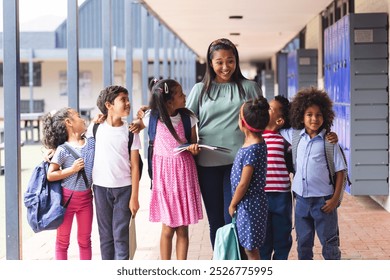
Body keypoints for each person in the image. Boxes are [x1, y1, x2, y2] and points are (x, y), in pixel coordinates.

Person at [186, 38, 262, 248]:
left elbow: (263, 121)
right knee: (216, 223)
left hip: (239, 164)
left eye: (230, 61)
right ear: (211, 63)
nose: (225, 67)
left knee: (234, 218)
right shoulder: (199, 90)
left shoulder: (249, 88)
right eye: (219, 62)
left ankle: (235, 263)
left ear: (236, 61)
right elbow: (186, 121)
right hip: (207, 164)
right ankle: (220, 261)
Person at [280, 87, 347, 260]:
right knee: (303, 243)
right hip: (301, 200)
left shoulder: (329, 142)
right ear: (301, 116)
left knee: (330, 244)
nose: (314, 119)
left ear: (325, 116)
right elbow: (275, 128)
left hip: (324, 202)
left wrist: (335, 199)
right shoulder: (294, 136)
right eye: (309, 114)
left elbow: (341, 171)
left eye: (318, 115)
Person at [141, 79, 203, 260]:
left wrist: (193, 148)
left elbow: (193, 142)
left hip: (184, 175)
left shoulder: (188, 117)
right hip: (164, 178)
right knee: (167, 227)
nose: (185, 96)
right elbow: (137, 123)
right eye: (181, 94)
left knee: (183, 227)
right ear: (169, 101)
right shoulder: (151, 117)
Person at [85, 85, 142, 260]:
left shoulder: (131, 131)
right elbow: (83, 150)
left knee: (121, 237)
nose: (127, 103)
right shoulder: (95, 129)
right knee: (105, 237)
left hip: (124, 189)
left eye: (127, 99)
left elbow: (135, 165)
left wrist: (134, 197)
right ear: (109, 105)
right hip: (100, 189)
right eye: (122, 100)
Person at [42, 108, 95, 260]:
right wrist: (72, 170)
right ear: (69, 123)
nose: (83, 119)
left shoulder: (91, 143)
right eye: (78, 116)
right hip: (66, 201)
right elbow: (51, 175)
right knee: (62, 242)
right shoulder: (62, 149)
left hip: (86, 200)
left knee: (85, 241)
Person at [229, 96, 270, 260]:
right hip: (251, 204)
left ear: (243, 123)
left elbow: (243, 183)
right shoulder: (257, 143)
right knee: (249, 246)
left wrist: (232, 204)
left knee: (250, 248)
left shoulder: (251, 150)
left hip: (249, 205)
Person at [260, 96, 293, 260]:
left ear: (279, 120)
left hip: (281, 197)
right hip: (261, 196)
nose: (266, 110)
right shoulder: (254, 137)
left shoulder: (285, 139)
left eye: (270, 109)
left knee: (282, 239)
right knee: (263, 240)